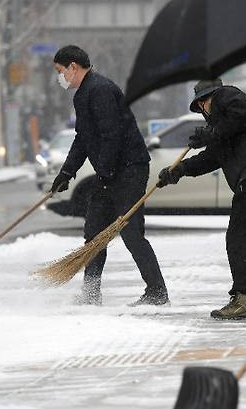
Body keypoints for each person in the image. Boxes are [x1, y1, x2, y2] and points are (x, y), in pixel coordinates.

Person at [157, 79, 246, 320]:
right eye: (201, 105)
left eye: (204, 101)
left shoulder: (227, 95)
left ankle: (245, 298)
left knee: (238, 239)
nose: (205, 107)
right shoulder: (225, 131)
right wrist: (178, 171)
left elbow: (242, 111)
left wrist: (210, 133)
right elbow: (210, 159)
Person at [51, 45, 168, 306]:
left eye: (60, 71)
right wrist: (66, 172)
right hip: (110, 172)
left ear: (73, 66)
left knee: (131, 232)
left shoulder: (101, 90)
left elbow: (111, 135)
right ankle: (91, 294)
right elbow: (83, 139)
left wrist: (106, 170)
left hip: (129, 169)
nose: (59, 77)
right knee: (94, 233)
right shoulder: (83, 94)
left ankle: (157, 292)